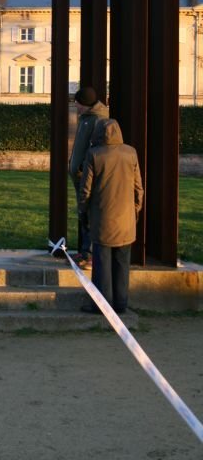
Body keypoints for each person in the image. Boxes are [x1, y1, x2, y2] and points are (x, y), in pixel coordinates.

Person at [78, 118, 144, 314]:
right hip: (126, 219)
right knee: (122, 263)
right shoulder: (130, 153)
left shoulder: (94, 154)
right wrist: (135, 210)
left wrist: (83, 212)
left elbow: (85, 190)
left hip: (102, 218)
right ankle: (121, 303)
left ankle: (102, 305)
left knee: (102, 264)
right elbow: (138, 188)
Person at [68, 86, 108, 267]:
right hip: (81, 175)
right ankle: (85, 251)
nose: (75, 106)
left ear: (84, 103)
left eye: (77, 102)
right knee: (83, 212)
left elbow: (96, 148)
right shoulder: (86, 118)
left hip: (87, 176)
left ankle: (89, 254)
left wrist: (83, 167)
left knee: (89, 212)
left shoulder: (98, 119)